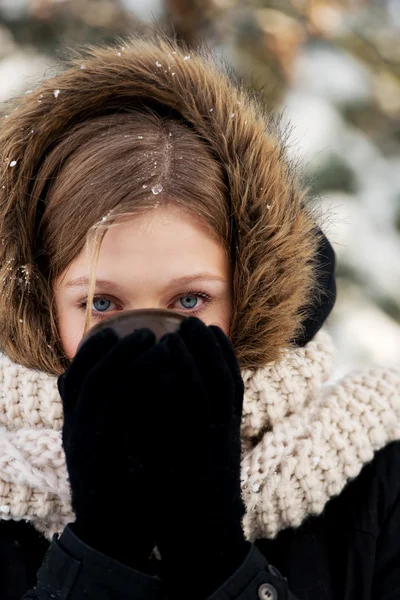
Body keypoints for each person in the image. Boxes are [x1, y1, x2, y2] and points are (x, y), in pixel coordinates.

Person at [0, 33, 399, 600]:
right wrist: (99, 553)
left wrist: (215, 554)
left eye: (189, 301)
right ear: (39, 306)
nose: (147, 339)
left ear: (252, 295)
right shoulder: (5, 485)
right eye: (102, 304)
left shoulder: (374, 476)